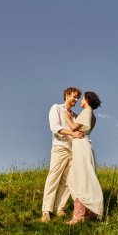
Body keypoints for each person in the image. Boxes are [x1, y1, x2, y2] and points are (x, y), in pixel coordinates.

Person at [41, 87, 84, 222]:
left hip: (73, 150)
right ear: (67, 95)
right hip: (60, 147)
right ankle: (46, 211)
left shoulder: (76, 116)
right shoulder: (56, 108)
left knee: (67, 180)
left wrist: (79, 134)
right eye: (74, 97)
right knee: (53, 177)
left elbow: (78, 131)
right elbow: (55, 128)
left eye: (78, 98)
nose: (76, 100)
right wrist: (72, 133)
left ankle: (60, 208)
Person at [65, 91, 103, 224]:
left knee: (79, 177)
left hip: (81, 145)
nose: (80, 101)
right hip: (85, 144)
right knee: (86, 176)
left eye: (82, 98)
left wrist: (67, 117)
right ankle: (88, 211)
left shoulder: (86, 112)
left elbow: (75, 128)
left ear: (86, 99)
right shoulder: (92, 115)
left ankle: (79, 215)